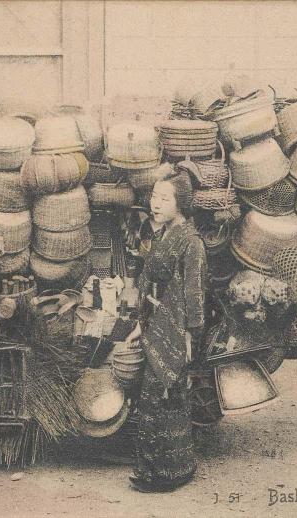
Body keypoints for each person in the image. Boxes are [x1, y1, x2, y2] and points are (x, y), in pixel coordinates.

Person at [125, 168, 207, 493]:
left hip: (175, 329)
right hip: (154, 324)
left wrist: (189, 335)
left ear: (181, 203)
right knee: (149, 402)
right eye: (154, 198)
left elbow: (194, 292)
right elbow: (146, 281)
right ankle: (149, 470)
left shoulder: (191, 242)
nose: (155, 204)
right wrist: (138, 323)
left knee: (168, 400)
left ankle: (174, 472)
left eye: (164, 199)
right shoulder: (157, 235)